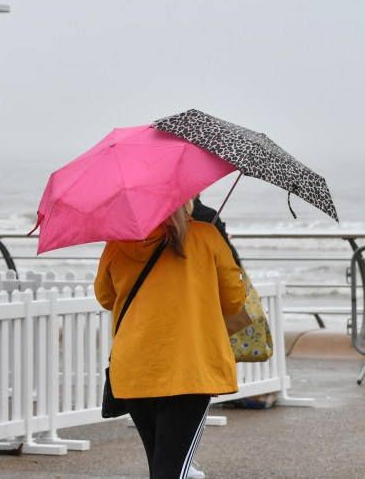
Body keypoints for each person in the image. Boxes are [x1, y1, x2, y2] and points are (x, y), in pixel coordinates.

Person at [94, 200, 249, 479]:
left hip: (134, 368)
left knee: (161, 466)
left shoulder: (117, 243)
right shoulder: (205, 235)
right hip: (189, 368)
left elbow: (105, 297)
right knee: (173, 469)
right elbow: (234, 301)